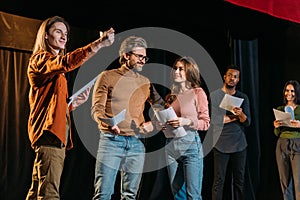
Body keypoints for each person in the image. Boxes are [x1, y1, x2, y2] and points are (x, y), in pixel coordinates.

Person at [25, 16, 115, 200]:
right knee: (49, 194)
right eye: (58, 31)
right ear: (46, 36)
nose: (64, 36)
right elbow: (66, 63)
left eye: (66, 33)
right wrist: (98, 44)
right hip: (49, 134)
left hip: (53, 134)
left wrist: (73, 104)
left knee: (37, 192)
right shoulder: (40, 60)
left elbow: (53, 105)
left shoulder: (53, 70)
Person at [91, 35, 164, 200]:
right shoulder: (107, 76)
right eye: (139, 56)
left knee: (130, 196)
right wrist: (107, 123)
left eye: (145, 57)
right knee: (103, 194)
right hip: (111, 141)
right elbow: (97, 109)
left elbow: (161, 108)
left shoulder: (145, 82)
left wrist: (154, 124)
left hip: (136, 143)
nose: (143, 61)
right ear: (126, 55)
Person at [162, 56, 210, 200]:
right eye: (175, 68)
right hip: (170, 146)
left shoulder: (198, 93)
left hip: (190, 146)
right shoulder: (171, 96)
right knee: (177, 194)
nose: (176, 71)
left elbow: (205, 123)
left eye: (181, 69)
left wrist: (186, 121)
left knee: (193, 195)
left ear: (189, 71)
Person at [210, 64, 251, 200]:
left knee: (239, 181)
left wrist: (241, 115)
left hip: (239, 144)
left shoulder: (243, 97)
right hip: (220, 144)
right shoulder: (215, 96)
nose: (232, 79)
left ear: (238, 80)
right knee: (219, 180)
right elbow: (214, 120)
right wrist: (233, 117)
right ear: (224, 77)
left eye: (235, 77)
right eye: (230, 76)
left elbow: (247, 122)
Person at [273, 80, 300, 200]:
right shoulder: (280, 108)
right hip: (282, 144)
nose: (290, 93)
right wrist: (276, 127)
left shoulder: (299, 109)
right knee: (284, 180)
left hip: (297, 143)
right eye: (287, 90)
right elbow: (276, 133)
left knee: (298, 180)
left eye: (292, 91)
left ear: (296, 93)